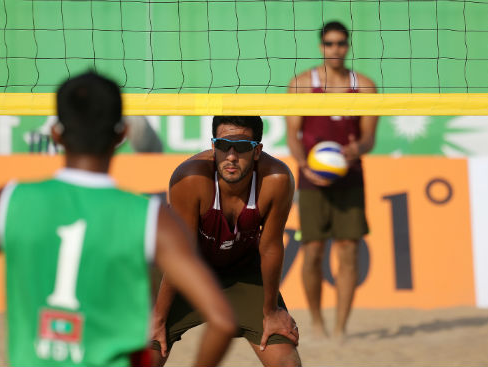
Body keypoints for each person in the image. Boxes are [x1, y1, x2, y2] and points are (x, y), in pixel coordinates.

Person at [0, 71, 236, 367]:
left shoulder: (8, 202)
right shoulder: (150, 217)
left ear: (55, 134)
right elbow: (221, 320)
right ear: (121, 134)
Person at [150, 116, 302, 367]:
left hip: (242, 271)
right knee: (146, 356)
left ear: (257, 151)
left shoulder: (276, 179)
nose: (231, 156)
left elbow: (271, 246)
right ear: (213, 147)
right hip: (187, 272)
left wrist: (271, 311)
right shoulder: (190, 179)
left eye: (241, 147)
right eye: (222, 145)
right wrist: (157, 318)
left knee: (287, 363)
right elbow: (181, 255)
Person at [286, 21, 379, 339]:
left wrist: (356, 149)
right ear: (321, 46)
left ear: (348, 46)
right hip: (312, 178)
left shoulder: (364, 86)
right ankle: (317, 322)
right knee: (311, 250)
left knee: (349, 249)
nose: (335, 49)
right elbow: (293, 136)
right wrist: (303, 165)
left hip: (350, 175)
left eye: (340, 43)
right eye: (329, 43)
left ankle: (340, 327)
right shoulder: (300, 84)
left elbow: (369, 139)